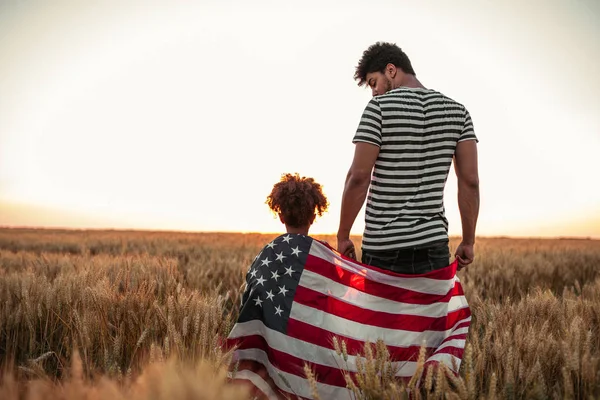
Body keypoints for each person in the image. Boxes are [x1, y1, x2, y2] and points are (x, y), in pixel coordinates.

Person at [336, 41, 480, 274]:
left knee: (382, 311)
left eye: (374, 82)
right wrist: (468, 241)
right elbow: (470, 181)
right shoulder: (458, 112)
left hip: (384, 246)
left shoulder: (379, 108)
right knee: (429, 312)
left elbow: (359, 176)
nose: (373, 91)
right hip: (433, 244)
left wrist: (343, 235)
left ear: (391, 70)